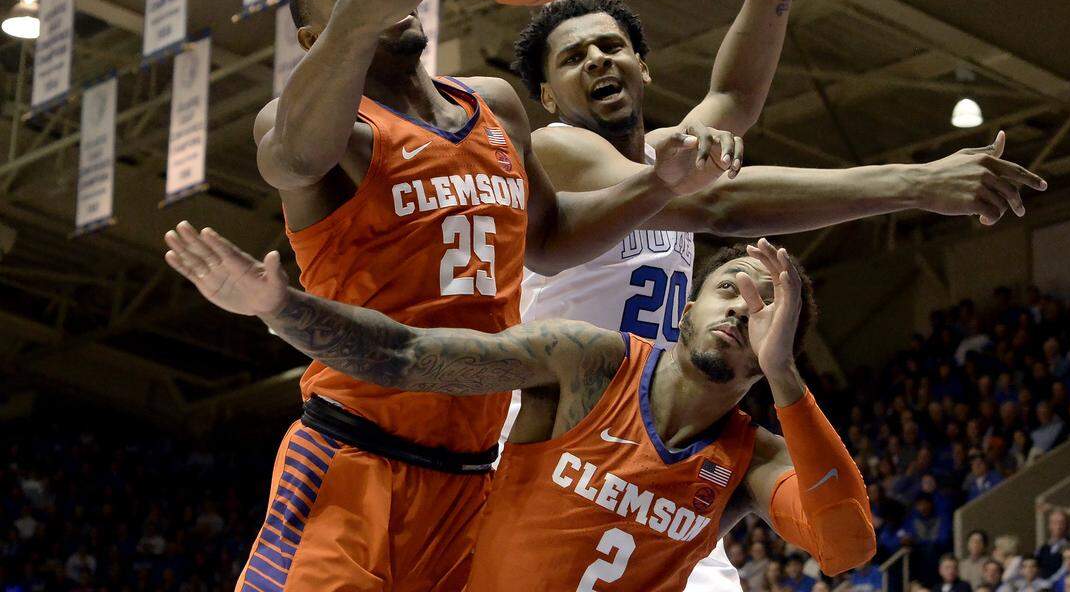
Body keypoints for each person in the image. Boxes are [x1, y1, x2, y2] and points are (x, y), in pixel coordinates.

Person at [508, 0, 1043, 592]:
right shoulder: (558, 150)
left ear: (644, 68)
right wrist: (915, 182)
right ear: (549, 95)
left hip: (656, 430)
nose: (598, 58)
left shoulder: (668, 152)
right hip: (557, 436)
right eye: (574, 56)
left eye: (612, 46)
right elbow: (718, 208)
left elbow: (735, 95)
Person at [231, 0, 740, 592]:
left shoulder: (494, 105)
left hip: (472, 478)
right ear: (317, 36)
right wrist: (359, 16)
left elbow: (551, 239)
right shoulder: (322, 133)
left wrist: (656, 187)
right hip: (354, 458)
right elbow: (291, 156)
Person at [164, 226, 876, 591]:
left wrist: (785, 376)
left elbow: (847, 548)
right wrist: (280, 309)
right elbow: (412, 356)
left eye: (767, 308)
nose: (744, 309)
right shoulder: (589, 363)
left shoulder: (756, 459)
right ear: (685, 309)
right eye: (731, 288)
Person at [1039, 511, 1070, 578]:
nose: (1058, 526)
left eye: (1061, 523)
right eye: (1054, 523)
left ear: (1067, 525)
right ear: (1049, 526)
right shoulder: (1043, 548)